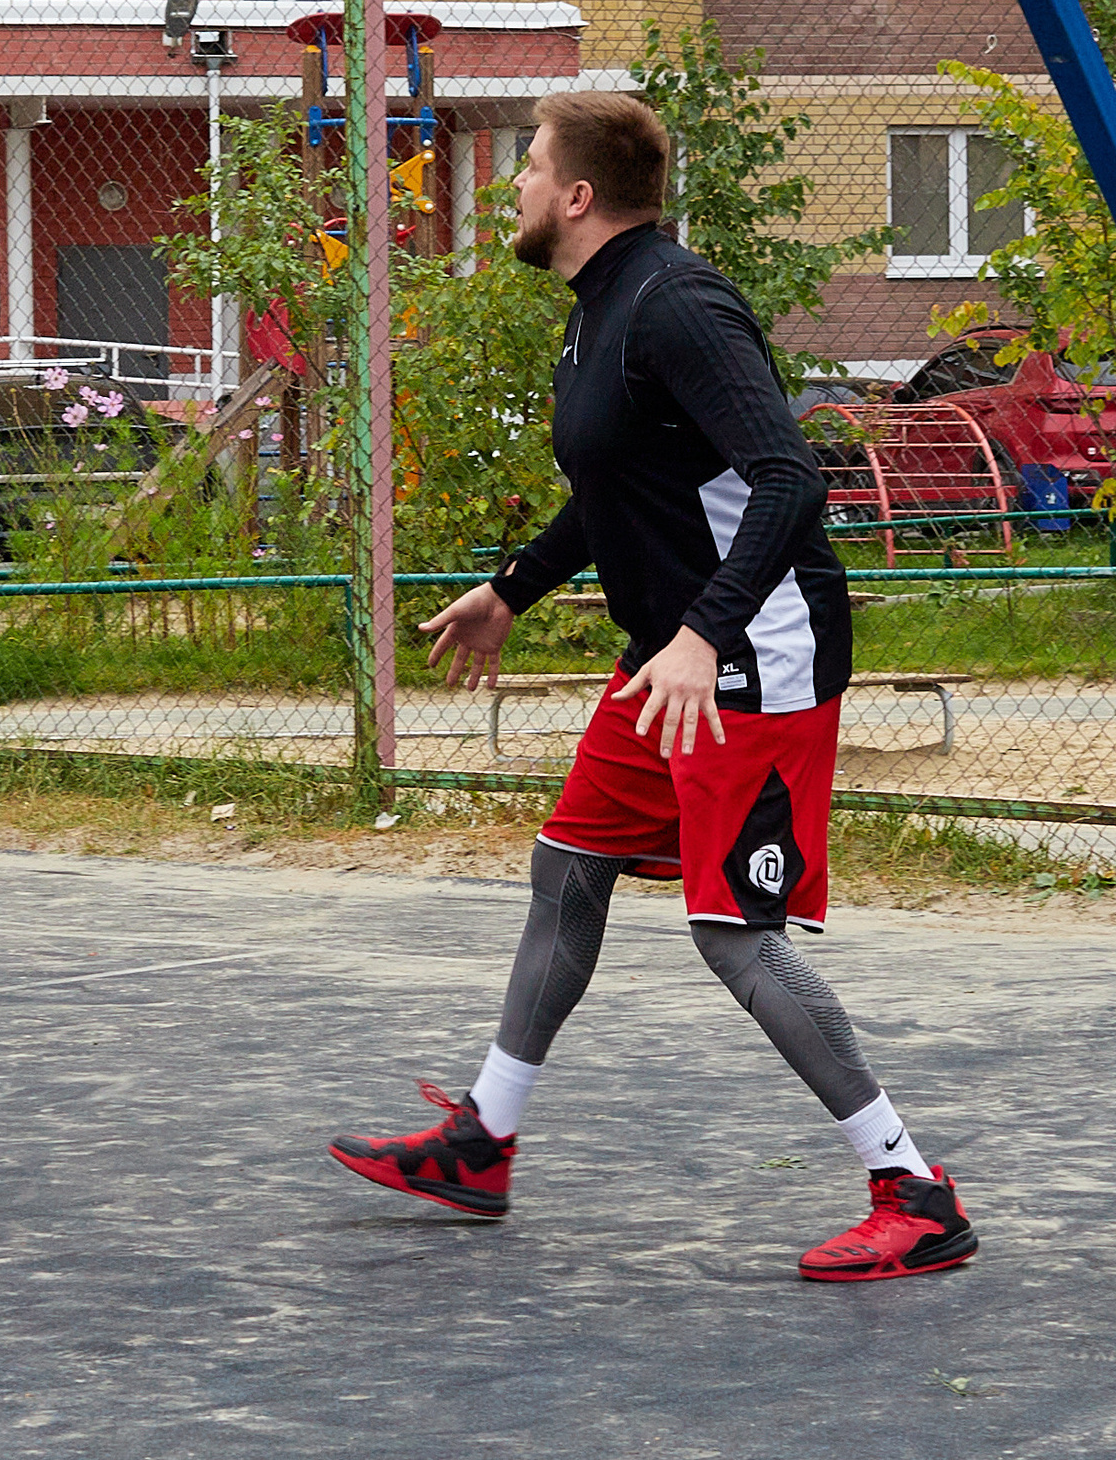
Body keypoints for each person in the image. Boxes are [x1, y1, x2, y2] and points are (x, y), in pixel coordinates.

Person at [325, 93, 977, 1284]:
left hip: (754, 652)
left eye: (525, 167)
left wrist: (702, 631)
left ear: (577, 195)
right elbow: (624, 485)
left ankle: (914, 1189)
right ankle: (484, 1138)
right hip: (673, 655)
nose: (513, 187)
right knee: (567, 866)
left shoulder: (675, 301)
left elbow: (789, 478)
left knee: (735, 934)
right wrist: (512, 589)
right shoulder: (599, 309)